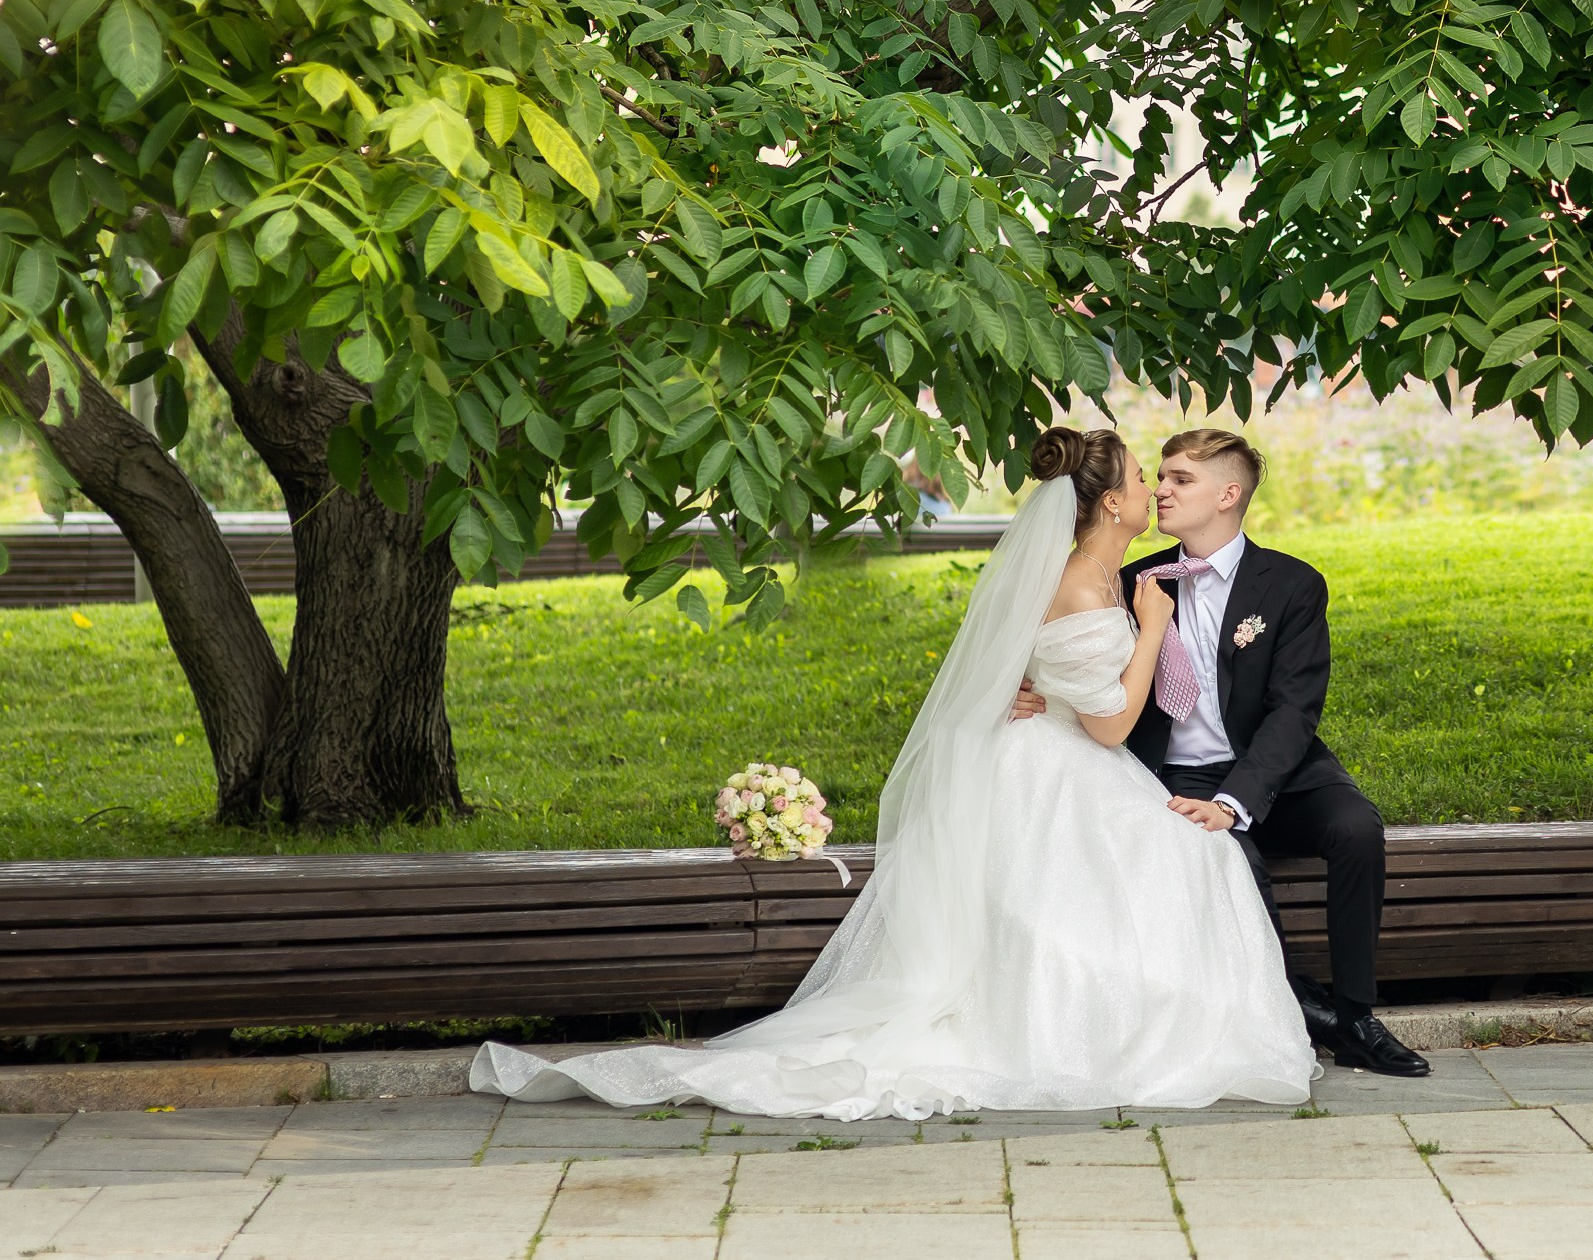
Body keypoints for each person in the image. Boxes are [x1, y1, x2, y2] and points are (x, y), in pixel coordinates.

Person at [468, 428, 1316, 1120]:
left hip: (1051, 755)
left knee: (1181, 858)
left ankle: (1148, 1009)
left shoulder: (1095, 573)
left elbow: (1039, 669)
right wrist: (1149, 632)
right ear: (1108, 503)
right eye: (1141, 476)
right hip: (1069, 763)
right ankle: (1146, 1028)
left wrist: (1031, 684)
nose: (1151, 490)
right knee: (1191, 861)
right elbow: (1110, 723)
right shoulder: (1105, 589)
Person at [1013, 429, 1431, 1078]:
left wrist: (1234, 800)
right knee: (1228, 857)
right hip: (1174, 771)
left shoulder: (1292, 585)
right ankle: (1294, 1005)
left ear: (1228, 493)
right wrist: (1019, 687)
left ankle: (1355, 1013)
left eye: (1180, 478)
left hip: (1276, 769)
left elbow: (1294, 712)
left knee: (1356, 827)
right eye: (1157, 476)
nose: (1160, 488)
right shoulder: (1129, 581)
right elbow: (1068, 654)